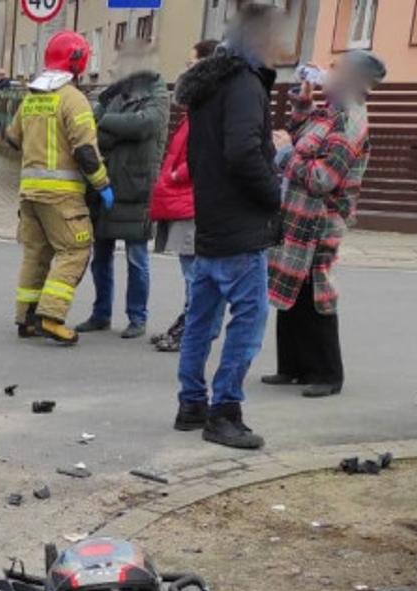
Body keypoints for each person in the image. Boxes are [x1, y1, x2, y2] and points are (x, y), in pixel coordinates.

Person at [173, 3, 282, 449]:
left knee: (201, 320)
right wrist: (274, 195)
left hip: (211, 220)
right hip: (240, 226)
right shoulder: (244, 83)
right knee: (248, 321)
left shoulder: (208, 85)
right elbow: (241, 151)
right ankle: (225, 412)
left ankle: (191, 403)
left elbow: (204, 153)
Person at [262, 51, 383, 399]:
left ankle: (328, 373)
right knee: (292, 288)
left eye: (337, 69)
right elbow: (300, 133)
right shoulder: (328, 111)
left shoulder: (351, 120)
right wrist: (302, 99)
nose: (328, 72)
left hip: (321, 220)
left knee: (317, 292)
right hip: (298, 215)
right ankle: (293, 367)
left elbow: (322, 178)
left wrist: (287, 155)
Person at [4, 30, 112, 345]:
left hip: (29, 193)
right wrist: (103, 185)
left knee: (36, 254)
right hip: (62, 196)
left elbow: (12, 138)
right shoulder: (74, 99)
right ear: (79, 61)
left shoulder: (32, 96)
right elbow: (86, 152)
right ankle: (51, 317)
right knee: (75, 249)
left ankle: (26, 317)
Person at [74, 69, 167, 339]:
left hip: (136, 188)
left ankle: (137, 317)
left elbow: (145, 125)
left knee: (137, 259)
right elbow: (92, 129)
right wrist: (119, 126)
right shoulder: (112, 94)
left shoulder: (157, 93)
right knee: (100, 258)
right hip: (105, 187)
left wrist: (109, 122)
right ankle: (101, 314)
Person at [150, 40, 220, 354]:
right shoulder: (198, 108)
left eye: (192, 64)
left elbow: (202, 154)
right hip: (183, 200)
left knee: (197, 274)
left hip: (192, 201)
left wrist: (177, 175)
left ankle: (196, 330)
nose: (186, 70)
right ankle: (190, 323)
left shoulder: (210, 107)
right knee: (192, 272)